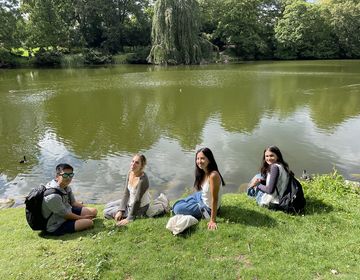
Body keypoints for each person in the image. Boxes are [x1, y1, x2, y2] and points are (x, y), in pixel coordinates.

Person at [172, 147, 225, 230]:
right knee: (178, 203)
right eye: (198, 159)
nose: (199, 161)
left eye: (202, 158)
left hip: (208, 208)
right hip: (201, 197)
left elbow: (215, 199)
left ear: (209, 159)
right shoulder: (204, 172)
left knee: (177, 208)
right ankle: (182, 205)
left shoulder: (213, 175)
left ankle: (179, 207)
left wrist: (212, 220)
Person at [42, 163, 98, 236]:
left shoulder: (66, 187)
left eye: (71, 175)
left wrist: (86, 209)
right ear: (57, 176)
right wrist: (82, 217)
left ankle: (81, 219)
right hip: (56, 225)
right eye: (65, 175)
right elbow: (65, 215)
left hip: (67, 212)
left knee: (93, 211)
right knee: (89, 222)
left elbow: (73, 203)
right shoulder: (53, 195)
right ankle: (79, 221)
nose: (68, 178)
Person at [104, 154, 152, 226]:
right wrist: (120, 210)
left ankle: (126, 216)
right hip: (130, 201)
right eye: (132, 161)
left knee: (106, 212)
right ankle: (122, 213)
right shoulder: (130, 173)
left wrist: (129, 218)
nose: (133, 164)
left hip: (139, 208)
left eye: (137, 162)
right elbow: (126, 193)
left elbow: (137, 200)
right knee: (108, 205)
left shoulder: (143, 180)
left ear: (142, 166)